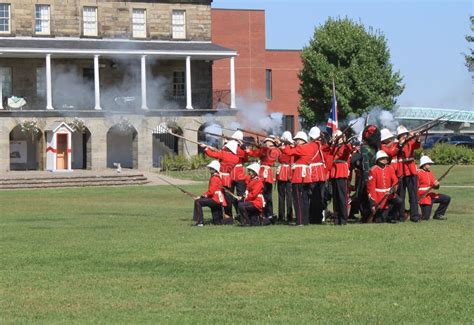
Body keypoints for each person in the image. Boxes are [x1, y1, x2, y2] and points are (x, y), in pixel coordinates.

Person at [280, 131, 315, 226]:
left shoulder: (301, 148)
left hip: (299, 175)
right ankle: (305, 220)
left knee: (297, 199)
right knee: (304, 199)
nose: (295, 142)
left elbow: (288, 152)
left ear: (301, 140)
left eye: (297, 140)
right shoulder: (308, 147)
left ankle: (299, 221)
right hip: (306, 176)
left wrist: (283, 146)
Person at [202, 140, 239, 221]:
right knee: (227, 197)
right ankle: (228, 215)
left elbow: (212, 154)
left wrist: (206, 148)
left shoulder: (223, 154)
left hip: (220, 177)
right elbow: (222, 154)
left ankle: (220, 215)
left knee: (217, 196)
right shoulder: (236, 158)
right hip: (228, 178)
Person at [246, 137, 280, 219]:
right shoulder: (263, 149)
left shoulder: (274, 150)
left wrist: (262, 147)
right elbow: (254, 154)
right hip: (261, 172)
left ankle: (269, 214)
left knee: (268, 195)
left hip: (267, 173)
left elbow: (270, 155)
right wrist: (248, 149)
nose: (266, 143)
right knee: (261, 194)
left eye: (267, 142)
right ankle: (262, 213)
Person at [367, 150, 402, 223]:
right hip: (379, 196)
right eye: (382, 158)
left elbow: (395, 180)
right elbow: (371, 188)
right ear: (378, 160)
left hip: (389, 194)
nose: (385, 160)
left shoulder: (390, 168)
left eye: (385, 158)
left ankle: (392, 217)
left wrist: (391, 191)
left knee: (399, 201)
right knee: (380, 220)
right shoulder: (373, 170)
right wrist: (373, 203)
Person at [396, 125, 421, 222]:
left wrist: (418, 138)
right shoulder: (396, 144)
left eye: (405, 135)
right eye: (402, 135)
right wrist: (400, 144)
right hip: (401, 171)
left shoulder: (410, 142)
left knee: (413, 195)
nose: (404, 136)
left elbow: (417, 145)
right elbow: (394, 152)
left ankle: (414, 216)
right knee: (401, 195)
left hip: (411, 171)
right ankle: (401, 216)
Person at [193, 160, 227, 226]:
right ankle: (231, 220)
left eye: (211, 168)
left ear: (215, 169)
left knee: (198, 202)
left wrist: (201, 196)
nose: (210, 169)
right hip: (218, 199)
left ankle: (200, 222)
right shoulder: (217, 176)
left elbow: (211, 192)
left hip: (215, 199)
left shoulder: (214, 178)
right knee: (217, 222)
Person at [417, 155, 451, 220]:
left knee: (446, 198)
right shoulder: (418, 173)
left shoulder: (430, 173)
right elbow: (415, 188)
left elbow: (435, 187)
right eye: (429, 163)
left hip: (431, 195)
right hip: (424, 197)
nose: (430, 165)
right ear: (424, 164)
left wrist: (437, 185)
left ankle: (438, 215)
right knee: (425, 218)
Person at [330, 130, 353, 225]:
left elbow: (349, 150)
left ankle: (343, 219)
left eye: (337, 138)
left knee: (342, 197)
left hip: (341, 171)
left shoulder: (345, 146)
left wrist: (345, 141)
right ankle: (336, 218)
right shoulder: (334, 147)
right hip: (334, 172)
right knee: (335, 197)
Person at [308, 126, 327, 224]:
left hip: (313, 173)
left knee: (313, 196)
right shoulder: (322, 144)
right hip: (321, 173)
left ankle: (313, 217)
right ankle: (319, 217)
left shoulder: (311, 145)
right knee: (320, 196)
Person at [229, 130, 248, 217]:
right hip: (239, 173)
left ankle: (234, 213)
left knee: (230, 195)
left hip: (230, 173)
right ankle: (241, 213)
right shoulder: (241, 149)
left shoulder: (228, 147)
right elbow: (246, 159)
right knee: (240, 195)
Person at [276, 131, 294, 223]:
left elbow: (282, 158)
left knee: (286, 196)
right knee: (283, 195)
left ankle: (286, 216)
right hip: (284, 170)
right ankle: (283, 216)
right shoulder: (285, 147)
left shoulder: (287, 148)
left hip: (286, 171)